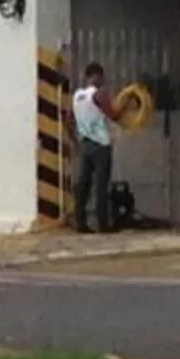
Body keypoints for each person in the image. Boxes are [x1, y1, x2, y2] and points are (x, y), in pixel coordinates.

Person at [71, 63, 116, 233]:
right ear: (97, 76)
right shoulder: (99, 94)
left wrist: (75, 141)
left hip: (85, 144)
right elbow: (113, 114)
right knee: (101, 185)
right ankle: (102, 224)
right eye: (102, 77)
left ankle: (80, 222)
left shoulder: (77, 96)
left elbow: (68, 118)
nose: (103, 80)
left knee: (84, 184)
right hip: (101, 145)